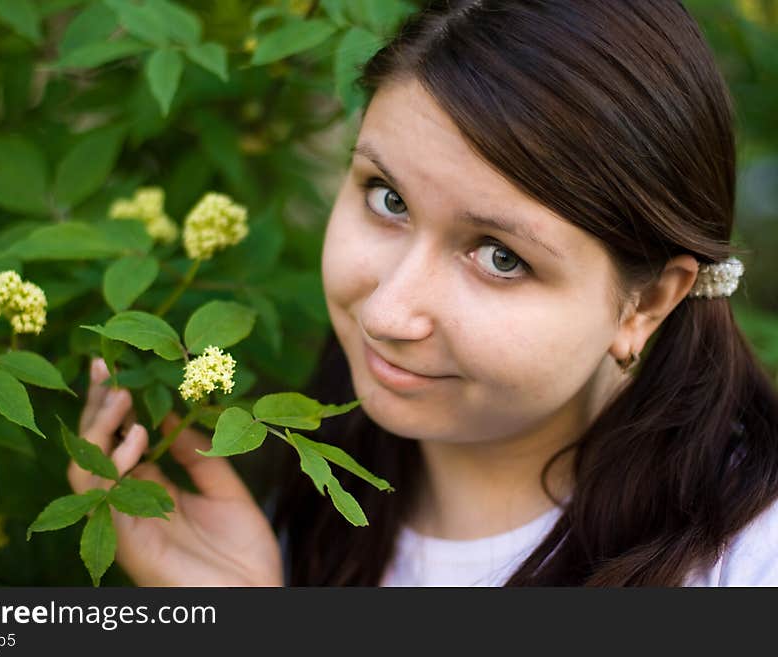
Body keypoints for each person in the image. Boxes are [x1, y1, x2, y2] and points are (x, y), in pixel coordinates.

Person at [69, 0, 778, 586]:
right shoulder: (312, 500)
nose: (385, 312)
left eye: (501, 256)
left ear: (647, 303)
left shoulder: (749, 560)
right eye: (387, 199)